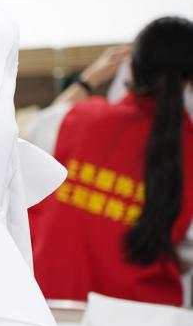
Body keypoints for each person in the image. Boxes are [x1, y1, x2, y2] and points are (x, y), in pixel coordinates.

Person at [26, 17, 193, 306]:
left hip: (48, 313)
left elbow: (33, 135)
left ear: (131, 69)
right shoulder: (185, 150)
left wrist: (88, 80)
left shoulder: (73, 120)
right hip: (144, 324)